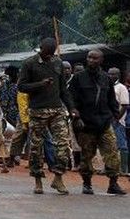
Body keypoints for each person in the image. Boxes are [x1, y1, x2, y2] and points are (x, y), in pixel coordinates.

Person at [18, 37, 75, 195]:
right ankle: (38, 180)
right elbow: (21, 86)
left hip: (57, 110)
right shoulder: (29, 63)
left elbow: (64, 89)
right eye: (46, 53)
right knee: (36, 148)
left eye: (51, 54)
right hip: (37, 111)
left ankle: (58, 178)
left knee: (63, 145)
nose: (49, 56)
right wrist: (40, 84)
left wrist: (72, 108)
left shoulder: (58, 63)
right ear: (40, 48)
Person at [69, 51, 126, 195]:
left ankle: (113, 183)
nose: (91, 60)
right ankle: (87, 183)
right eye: (89, 58)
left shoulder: (106, 78)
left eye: (95, 58)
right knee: (87, 156)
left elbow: (112, 100)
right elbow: (71, 99)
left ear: (101, 60)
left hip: (105, 124)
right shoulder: (78, 78)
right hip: (86, 126)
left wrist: (114, 117)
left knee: (113, 153)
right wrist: (75, 115)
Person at [108, 67, 129, 175]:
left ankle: (123, 169)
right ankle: (110, 168)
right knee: (109, 145)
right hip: (107, 120)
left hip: (118, 121)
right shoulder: (107, 87)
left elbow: (124, 105)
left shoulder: (121, 88)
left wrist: (117, 118)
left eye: (113, 74)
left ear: (118, 75)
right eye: (110, 74)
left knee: (122, 145)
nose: (111, 76)